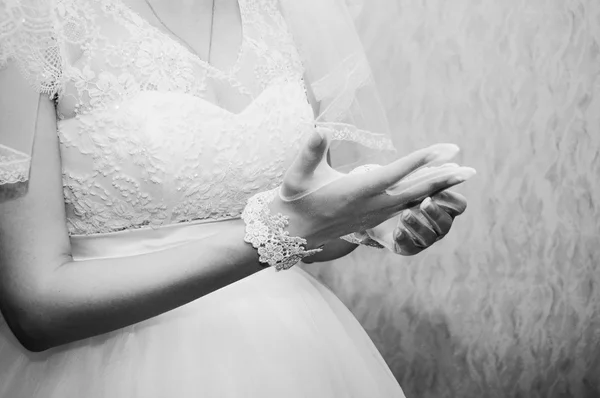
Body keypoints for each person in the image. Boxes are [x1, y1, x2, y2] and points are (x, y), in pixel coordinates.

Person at [0, 0, 475, 396]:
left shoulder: (283, 12)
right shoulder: (31, 20)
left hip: (294, 351)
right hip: (109, 362)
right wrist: (274, 234)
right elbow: (36, 306)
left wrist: (368, 217)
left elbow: (308, 223)